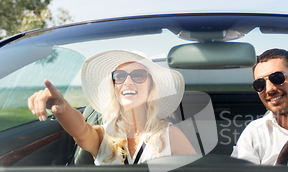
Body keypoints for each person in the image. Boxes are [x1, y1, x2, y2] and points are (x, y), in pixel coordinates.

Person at [28, 50, 196, 165]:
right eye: (120, 76)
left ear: (151, 86)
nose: (128, 81)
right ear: (114, 86)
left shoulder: (170, 135)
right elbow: (81, 131)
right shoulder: (104, 136)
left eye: (138, 75)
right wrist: (62, 107)